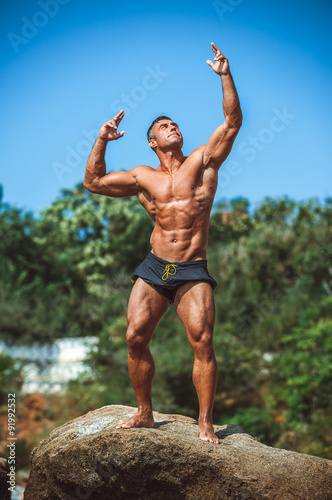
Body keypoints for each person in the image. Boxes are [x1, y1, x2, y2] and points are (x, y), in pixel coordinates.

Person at [84, 42, 242, 444]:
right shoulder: (142, 177)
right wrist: (102, 139)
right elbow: (94, 182)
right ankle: (144, 412)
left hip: (191, 267)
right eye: (163, 126)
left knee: (202, 340)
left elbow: (232, 121)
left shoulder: (203, 161)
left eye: (175, 124)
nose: (172, 127)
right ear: (152, 142)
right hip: (156, 266)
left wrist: (224, 74)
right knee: (135, 337)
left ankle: (205, 422)